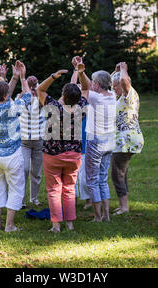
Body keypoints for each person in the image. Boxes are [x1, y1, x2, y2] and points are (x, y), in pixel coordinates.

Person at [36, 69, 89, 233]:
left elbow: (40, 90)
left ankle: (56, 225)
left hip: (52, 154)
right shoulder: (81, 107)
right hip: (73, 155)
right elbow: (86, 89)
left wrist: (52, 76)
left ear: (63, 96)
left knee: (54, 190)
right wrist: (81, 72)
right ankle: (70, 223)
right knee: (69, 188)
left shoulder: (53, 107)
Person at [0, 60, 31, 232]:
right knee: (17, 189)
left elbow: (2, 94)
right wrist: (23, 77)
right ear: (5, 96)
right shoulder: (11, 108)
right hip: (10, 155)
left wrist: (12, 78)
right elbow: (28, 97)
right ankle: (9, 225)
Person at [77, 57, 117, 222]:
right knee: (102, 179)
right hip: (110, 141)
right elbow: (92, 84)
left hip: (95, 141)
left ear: (97, 85)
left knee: (92, 180)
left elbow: (85, 86)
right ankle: (106, 215)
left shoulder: (96, 97)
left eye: (94, 82)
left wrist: (81, 71)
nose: (91, 85)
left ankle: (98, 217)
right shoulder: (113, 95)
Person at [110, 62, 144, 215]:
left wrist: (124, 70)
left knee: (117, 174)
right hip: (124, 140)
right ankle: (124, 205)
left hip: (125, 141)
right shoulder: (122, 97)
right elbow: (116, 82)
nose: (113, 89)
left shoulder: (128, 94)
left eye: (115, 86)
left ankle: (124, 207)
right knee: (121, 172)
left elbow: (123, 81)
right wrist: (116, 71)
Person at [18, 75, 44, 209]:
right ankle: (21, 200)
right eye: (30, 86)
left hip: (39, 140)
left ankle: (34, 198)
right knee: (24, 169)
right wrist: (25, 91)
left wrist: (37, 91)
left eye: (35, 86)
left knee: (37, 172)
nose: (32, 89)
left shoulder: (41, 98)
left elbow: (41, 101)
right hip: (24, 141)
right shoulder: (20, 98)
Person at [68, 57, 90, 209]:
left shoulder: (83, 103)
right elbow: (76, 87)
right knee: (73, 176)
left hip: (82, 143)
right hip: (71, 145)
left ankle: (88, 199)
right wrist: (77, 69)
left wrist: (78, 70)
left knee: (83, 175)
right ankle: (73, 199)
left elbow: (84, 87)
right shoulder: (70, 105)